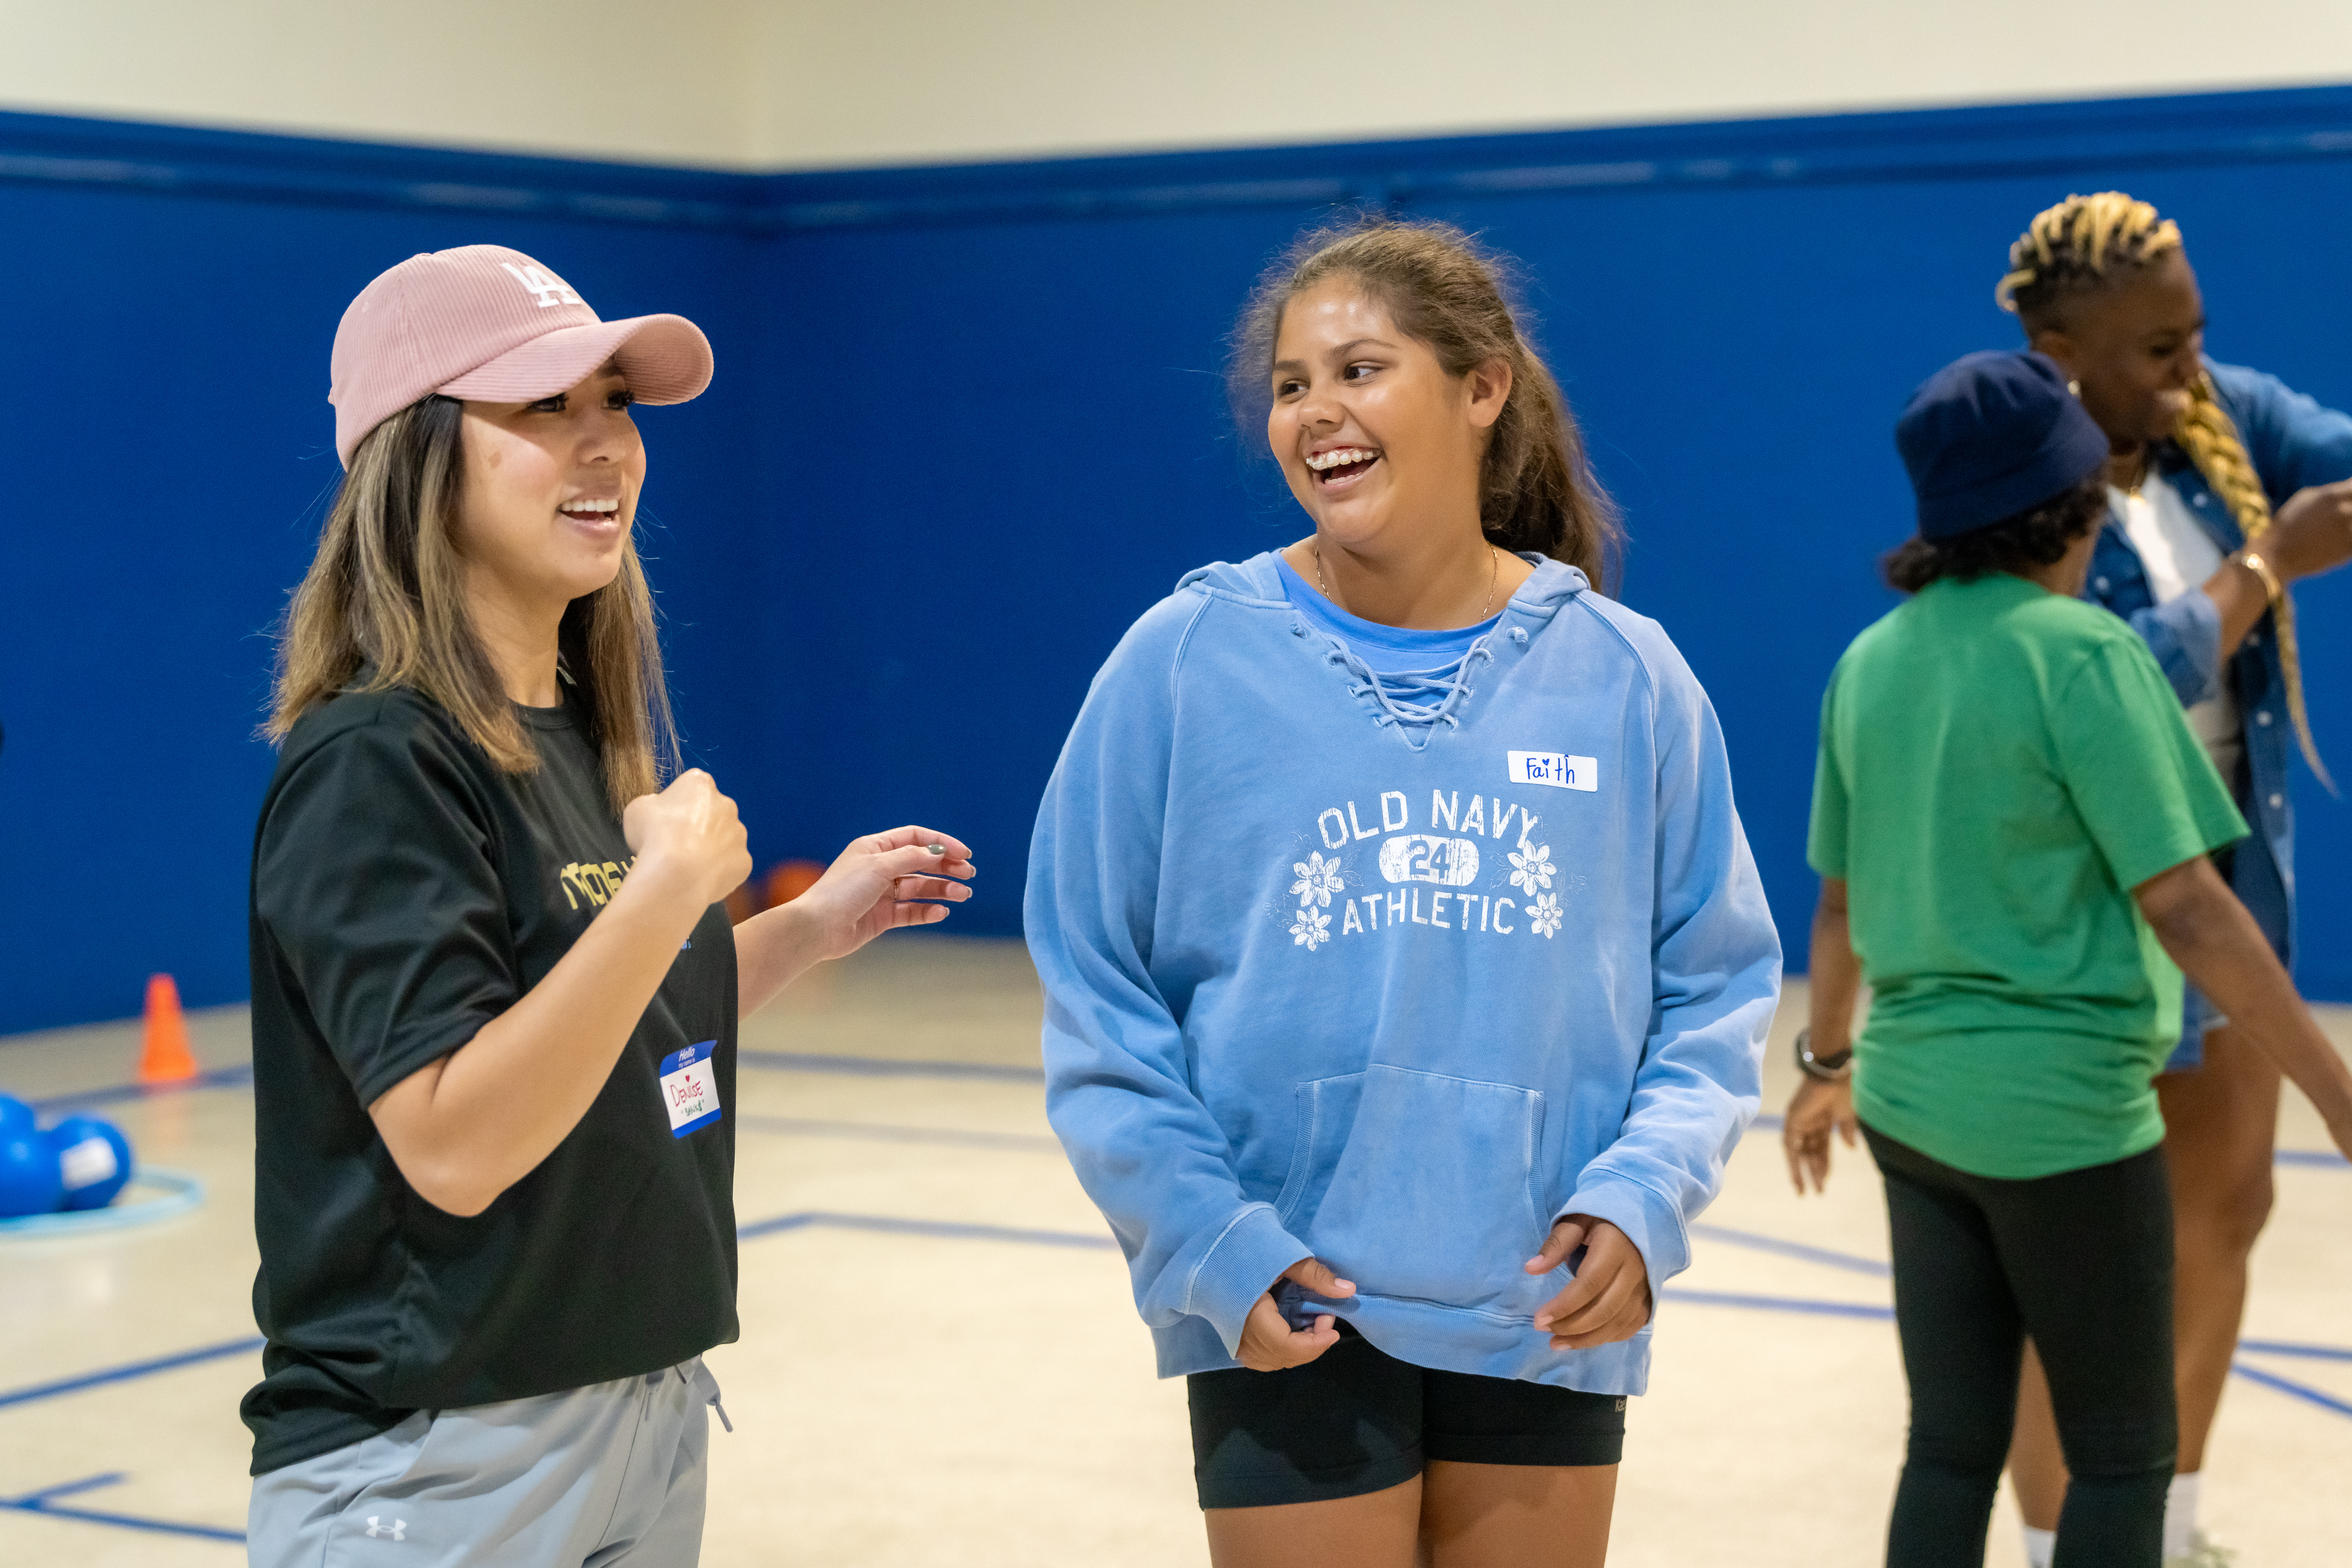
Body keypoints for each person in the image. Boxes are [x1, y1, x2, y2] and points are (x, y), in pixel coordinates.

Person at [1025, 218, 1780, 1568]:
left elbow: (1714, 984)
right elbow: (1097, 992)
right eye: (1290, 384)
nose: (1316, 411)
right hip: (1288, 1296)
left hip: (1546, 1300)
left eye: (1359, 369)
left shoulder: (1627, 676)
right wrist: (1209, 1238)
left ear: (1481, 386)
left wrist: (1643, 1195)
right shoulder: (1185, 662)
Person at [243, 244, 975, 1565]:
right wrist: (662, 894)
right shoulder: (375, 761)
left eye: (615, 405)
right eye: (543, 409)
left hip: (640, 1408)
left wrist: (807, 927)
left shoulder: (574, 734)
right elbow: (457, 1140)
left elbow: (607, 1026)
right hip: (438, 1451)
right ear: (415, 456)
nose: (604, 448)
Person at [1781, 350, 2352, 1568]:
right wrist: (2333, 1088)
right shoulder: (2085, 657)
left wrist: (1824, 1061)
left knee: (1945, 1446)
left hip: (1913, 1111)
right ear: (2077, 501)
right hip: (2064, 1124)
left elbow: (1836, 909)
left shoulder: (1868, 663)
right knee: (2120, 1452)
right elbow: (2191, 909)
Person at [1991, 190, 2352, 1568]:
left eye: (2193, 332)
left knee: (2224, 1211)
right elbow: (2101, 684)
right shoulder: (2017, 467)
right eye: (2152, 348)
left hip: (2223, 878)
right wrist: (2266, 565)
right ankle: (2051, 1549)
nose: (2187, 366)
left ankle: (2166, 1532)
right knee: (2074, 1270)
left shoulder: (2219, 415)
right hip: (2081, 897)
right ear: (2054, 345)